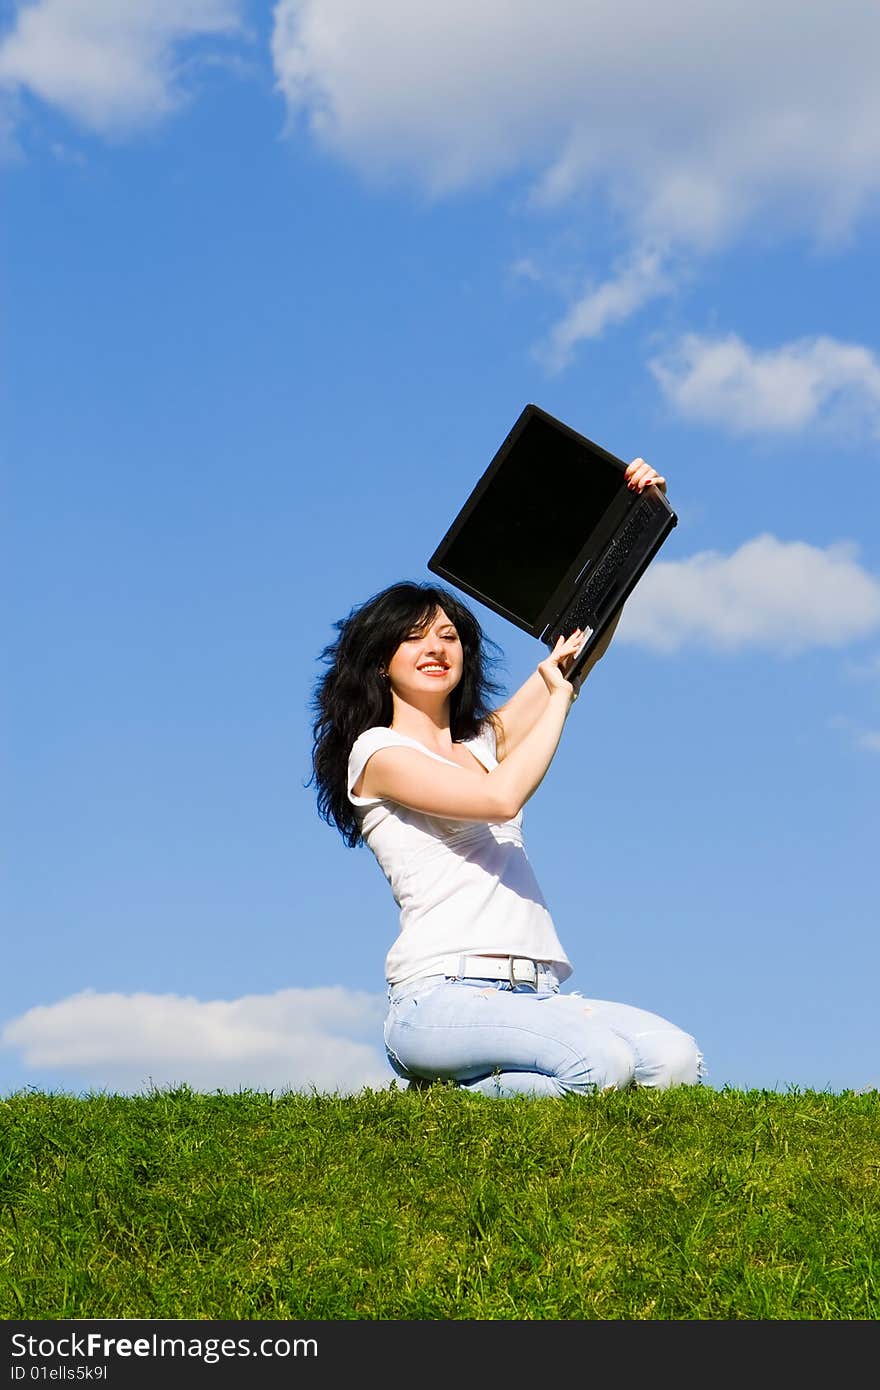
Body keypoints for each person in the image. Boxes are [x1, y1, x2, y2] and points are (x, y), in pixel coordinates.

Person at [310, 458, 704, 1097]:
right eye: (413, 639)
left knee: (672, 1062)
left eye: (447, 636)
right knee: (601, 1067)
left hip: (537, 991)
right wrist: (557, 699)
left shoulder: (482, 740)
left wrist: (640, 520)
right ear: (382, 664)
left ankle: (462, 1094)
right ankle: (443, 1105)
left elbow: (580, 651)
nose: (436, 648)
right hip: (438, 998)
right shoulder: (376, 755)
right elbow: (500, 796)